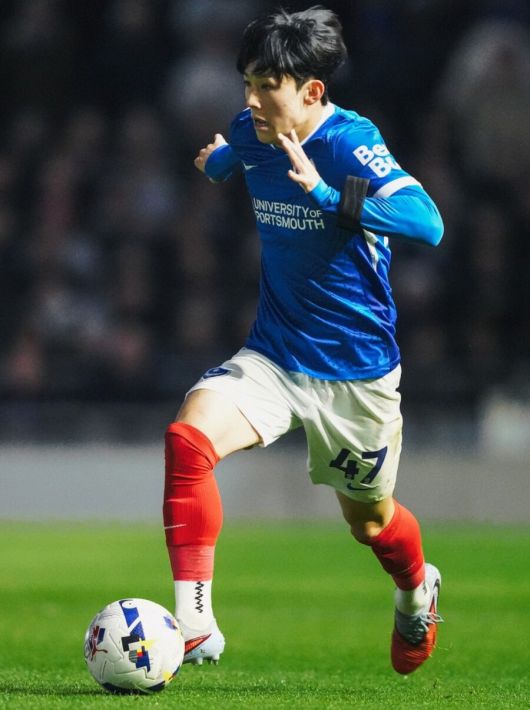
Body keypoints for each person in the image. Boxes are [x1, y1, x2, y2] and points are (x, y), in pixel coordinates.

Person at [163, 5, 444, 675]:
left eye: (268, 86)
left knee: (370, 524)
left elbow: (426, 221)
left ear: (312, 90)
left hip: (355, 373)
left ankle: (417, 590)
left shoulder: (349, 143)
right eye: (247, 84)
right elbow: (235, 156)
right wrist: (217, 163)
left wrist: (326, 194)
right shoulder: (252, 131)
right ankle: (194, 625)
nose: (252, 100)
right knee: (187, 440)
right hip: (274, 354)